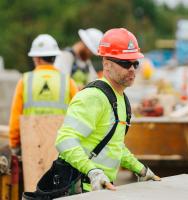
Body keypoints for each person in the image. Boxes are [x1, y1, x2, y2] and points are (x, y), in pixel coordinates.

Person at [55, 28, 161, 192]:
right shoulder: (92, 97)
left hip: (101, 189)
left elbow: (113, 147)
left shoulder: (120, 99)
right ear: (106, 64)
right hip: (80, 189)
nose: (132, 68)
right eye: (125, 63)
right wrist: (93, 172)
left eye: (135, 63)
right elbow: (64, 140)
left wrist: (141, 169)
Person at [9, 34, 78, 154]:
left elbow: (15, 119)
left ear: (36, 58)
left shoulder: (25, 81)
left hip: (31, 146)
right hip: (61, 148)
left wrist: (15, 144)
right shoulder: (68, 82)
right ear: (55, 57)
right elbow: (78, 117)